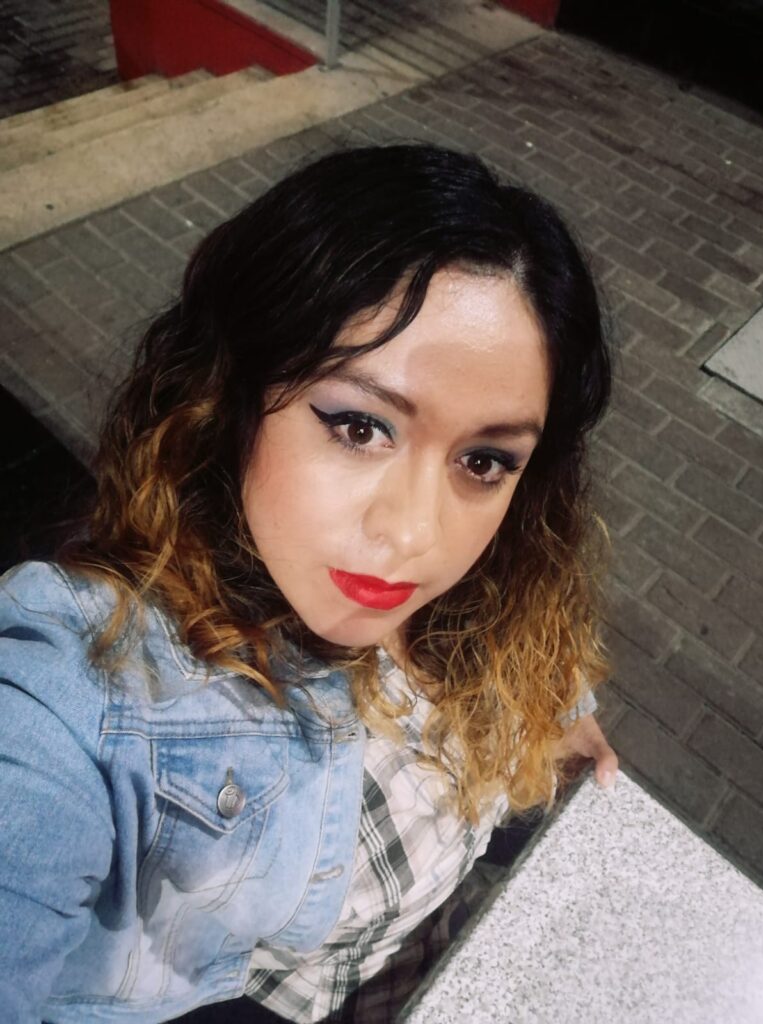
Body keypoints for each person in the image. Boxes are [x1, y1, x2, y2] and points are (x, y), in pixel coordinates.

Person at [0, 143, 618, 1024]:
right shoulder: (88, 701)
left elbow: (537, 657)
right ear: (230, 395)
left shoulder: (504, 585)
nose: (414, 536)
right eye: (360, 426)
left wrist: (556, 710)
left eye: (484, 460)